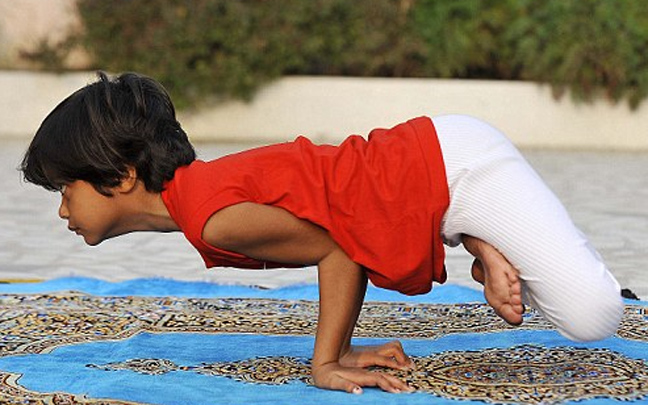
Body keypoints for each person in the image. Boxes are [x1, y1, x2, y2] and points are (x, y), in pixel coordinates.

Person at [20, 72, 623, 395]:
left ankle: (477, 234)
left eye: (65, 189)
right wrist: (342, 348)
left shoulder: (210, 215)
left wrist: (327, 361)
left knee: (594, 317)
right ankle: (477, 238)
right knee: (569, 306)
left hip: (461, 167)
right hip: (432, 180)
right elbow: (340, 226)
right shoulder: (199, 201)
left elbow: (336, 247)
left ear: (121, 176)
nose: (63, 209)